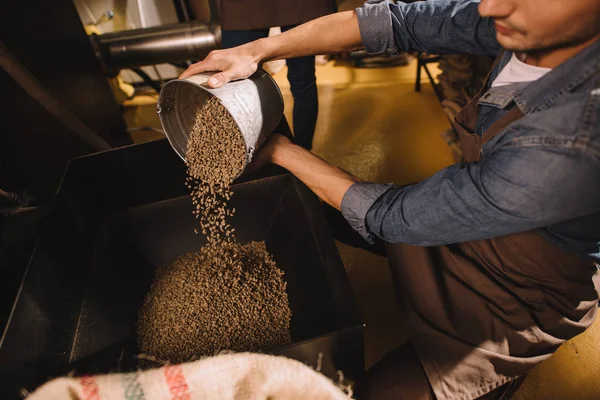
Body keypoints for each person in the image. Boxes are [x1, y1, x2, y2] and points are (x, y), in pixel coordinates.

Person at [180, 1, 600, 399]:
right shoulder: (528, 21)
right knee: (320, 211)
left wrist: (279, 150)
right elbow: (394, 22)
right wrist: (255, 51)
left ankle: (494, 381)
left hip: (522, 288)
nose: (490, 7)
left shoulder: (573, 142)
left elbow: (395, 217)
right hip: (465, 215)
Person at [216, 0, 337, 150]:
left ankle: (302, 155)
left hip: (299, 5)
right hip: (244, 6)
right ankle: (249, 157)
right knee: (234, 87)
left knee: (302, 81)